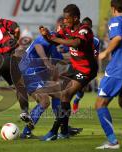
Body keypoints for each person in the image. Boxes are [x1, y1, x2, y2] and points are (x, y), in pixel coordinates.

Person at [39, 4, 98, 140]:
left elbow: (76, 43)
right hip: (75, 67)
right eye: (64, 19)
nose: (64, 21)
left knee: (66, 94)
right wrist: (47, 35)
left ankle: (54, 132)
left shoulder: (85, 30)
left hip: (87, 69)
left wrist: (54, 38)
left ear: (76, 18)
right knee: (60, 95)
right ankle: (64, 132)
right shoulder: (66, 29)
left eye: (67, 19)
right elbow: (53, 40)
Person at [95, 0, 122, 149]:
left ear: (113, 8)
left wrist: (105, 52)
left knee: (100, 104)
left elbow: (118, 37)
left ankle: (112, 141)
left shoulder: (116, 20)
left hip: (119, 67)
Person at [18, 32, 64, 138]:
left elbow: (55, 66)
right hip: (28, 72)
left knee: (58, 93)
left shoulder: (55, 47)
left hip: (35, 75)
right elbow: (38, 45)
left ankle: (62, 125)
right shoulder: (47, 38)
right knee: (44, 101)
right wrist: (46, 61)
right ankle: (26, 132)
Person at [72, 17, 100, 113]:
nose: (86, 29)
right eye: (84, 26)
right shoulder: (76, 36)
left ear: (91, 27)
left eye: (88, 27)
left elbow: (95, 55)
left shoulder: (95, 41)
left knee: (81, 87)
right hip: (73, 64)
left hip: (85, 66)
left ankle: (75, 101)